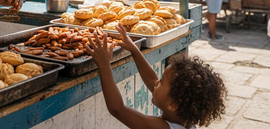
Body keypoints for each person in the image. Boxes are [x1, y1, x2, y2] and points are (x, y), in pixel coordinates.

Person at [86, 24, 227, 129]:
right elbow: (151, 79)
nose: (155, 83)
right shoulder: (185, 120)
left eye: (161, 82)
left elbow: (117, 109)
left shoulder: (160, 127)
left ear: (172, 103)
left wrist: (104, 64)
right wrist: (135, 49)